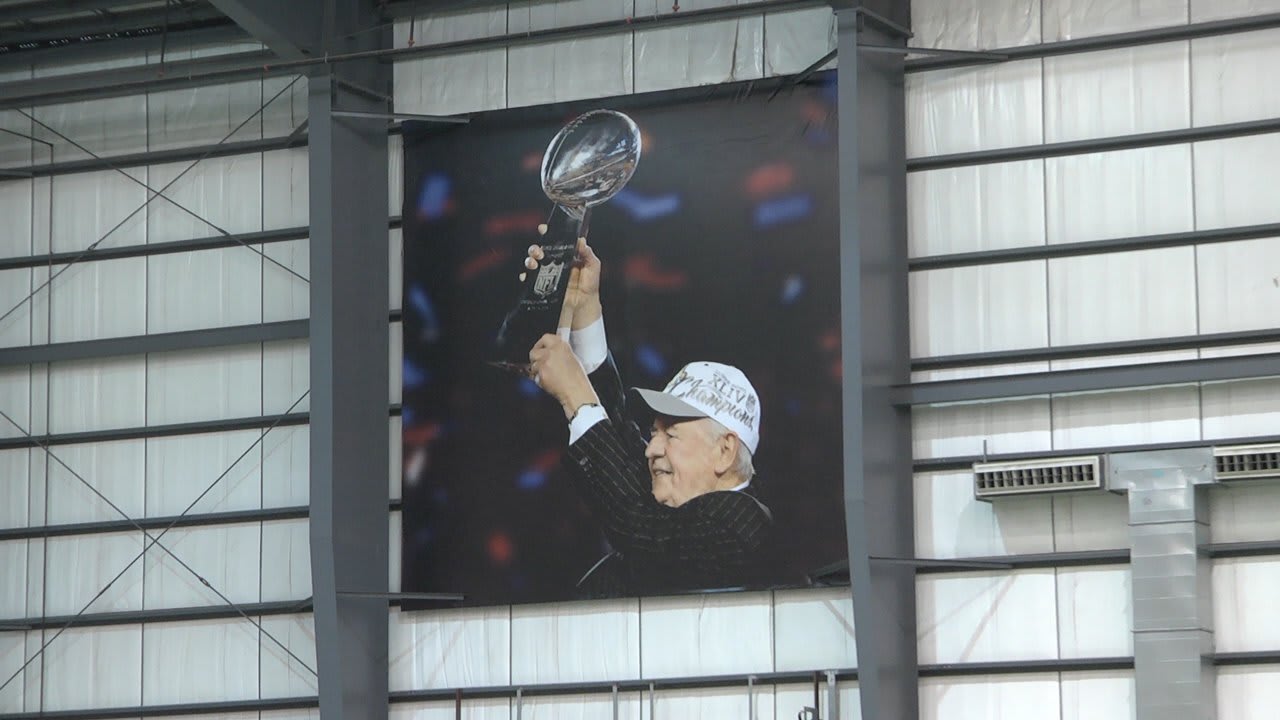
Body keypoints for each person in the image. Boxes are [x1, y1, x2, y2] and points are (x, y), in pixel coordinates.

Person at [523, 237, 773, 597]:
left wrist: (575, 393)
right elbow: (620, 440)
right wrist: (583, 308)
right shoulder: (681, 506)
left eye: (670, 435)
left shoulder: (743, 525)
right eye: (654, 433)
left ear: (724, 451)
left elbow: (637, 522)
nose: (651, 448)